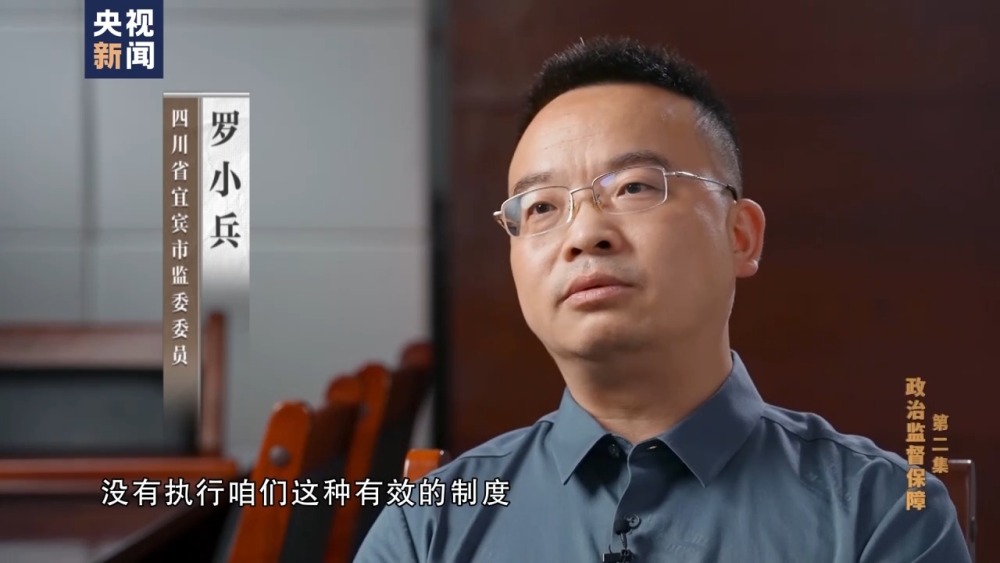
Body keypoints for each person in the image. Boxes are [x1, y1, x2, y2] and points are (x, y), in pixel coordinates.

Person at [354, 36, 970, 562]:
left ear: (740, 235)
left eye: (633, 187)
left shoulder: (879, 514)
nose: (584, 234)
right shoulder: (427, 525)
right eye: (540, 207)